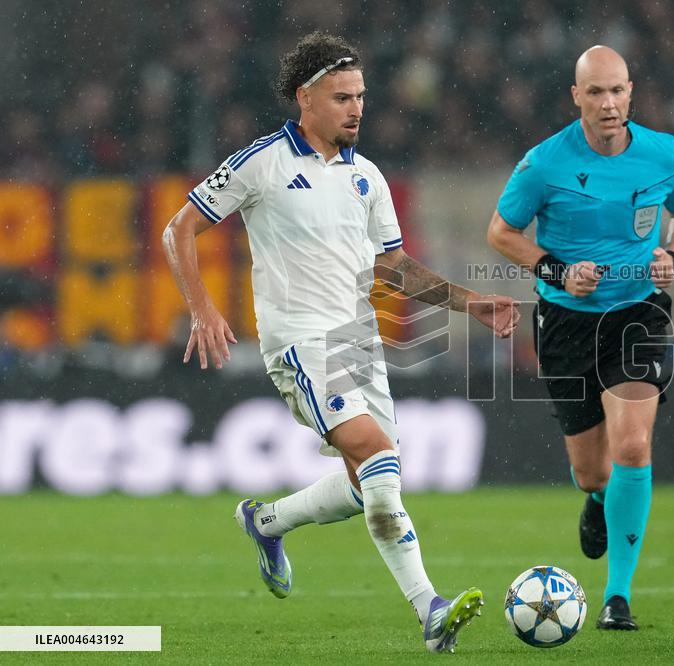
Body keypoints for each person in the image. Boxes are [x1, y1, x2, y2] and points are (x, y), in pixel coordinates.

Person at [162, 32, 519, 653]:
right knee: (377, 454)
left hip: (358, 344)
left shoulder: (368, 178)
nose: (356, 109)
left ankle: (266, 521)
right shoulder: (264, 161)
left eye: (360, 97)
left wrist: (471, 302)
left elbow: (395, 269)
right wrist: (201, 308)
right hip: (298, 342)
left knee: (371, 486)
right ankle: (431, 611)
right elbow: (180, 228)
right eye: (342, 98)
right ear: (306, 97)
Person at [486, 45, 674, 630]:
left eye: (618, 91)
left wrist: (672, 255)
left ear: (631, 93)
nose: (609, 104)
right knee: (593, 472)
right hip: (565, 323)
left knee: (632, 446)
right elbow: (502, 232)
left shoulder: (665, 154)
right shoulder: (544, 164)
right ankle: (599, 498)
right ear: (576, 97)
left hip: (638, 313)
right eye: (596, 93)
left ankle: (617, 596)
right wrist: (556, 270)